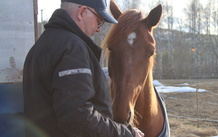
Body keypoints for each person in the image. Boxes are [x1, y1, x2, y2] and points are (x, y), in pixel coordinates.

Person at [23, 0, 144, 136]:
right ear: (82, 12)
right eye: (99, 21)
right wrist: (125, 133)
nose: (98, 28)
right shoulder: (72, 48)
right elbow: (78, 119)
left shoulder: (40, 46)